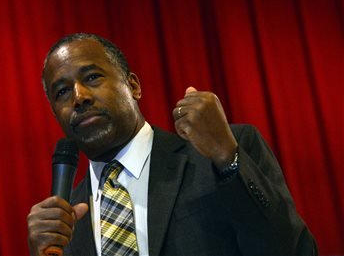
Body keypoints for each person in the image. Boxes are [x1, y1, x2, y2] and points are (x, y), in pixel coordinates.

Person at [27, 33, 317, 256]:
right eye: (62, 92)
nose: (79, 97)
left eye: (92, 77)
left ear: (134, 86)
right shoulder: (64, 224)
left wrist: (228, 160)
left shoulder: (220, 153)